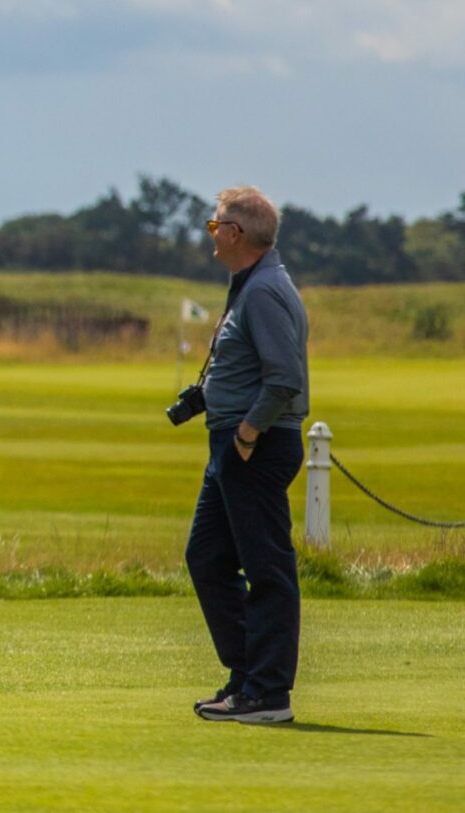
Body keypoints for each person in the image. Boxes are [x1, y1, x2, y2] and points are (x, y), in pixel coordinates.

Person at [187, 186, 309, 725]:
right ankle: (247, 677)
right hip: (234, 446)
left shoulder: (263, 291)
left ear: (236, 234)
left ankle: (268, 693)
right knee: (207, 557)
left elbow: (285, 377)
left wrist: (247, 434)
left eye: (215, 227)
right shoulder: (252, 284)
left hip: (253, 447)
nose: (211, 235)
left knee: (267, 569)